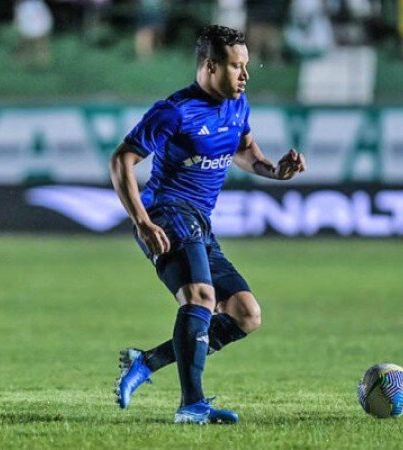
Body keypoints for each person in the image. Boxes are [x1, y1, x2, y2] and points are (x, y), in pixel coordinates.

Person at [109, 25, 305, 424]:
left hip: (199, 222)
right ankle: (191, 405)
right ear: (210, 66)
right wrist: (142, 221)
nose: (245, 75)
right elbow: (121, 160)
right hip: (166, 213)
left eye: (246, 65)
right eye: (236, 66)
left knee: (245, 314)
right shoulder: (174, 110)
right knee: (200, 296)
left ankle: (147, 362)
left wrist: (275, 171)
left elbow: (245, 152)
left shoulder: (237, 105)